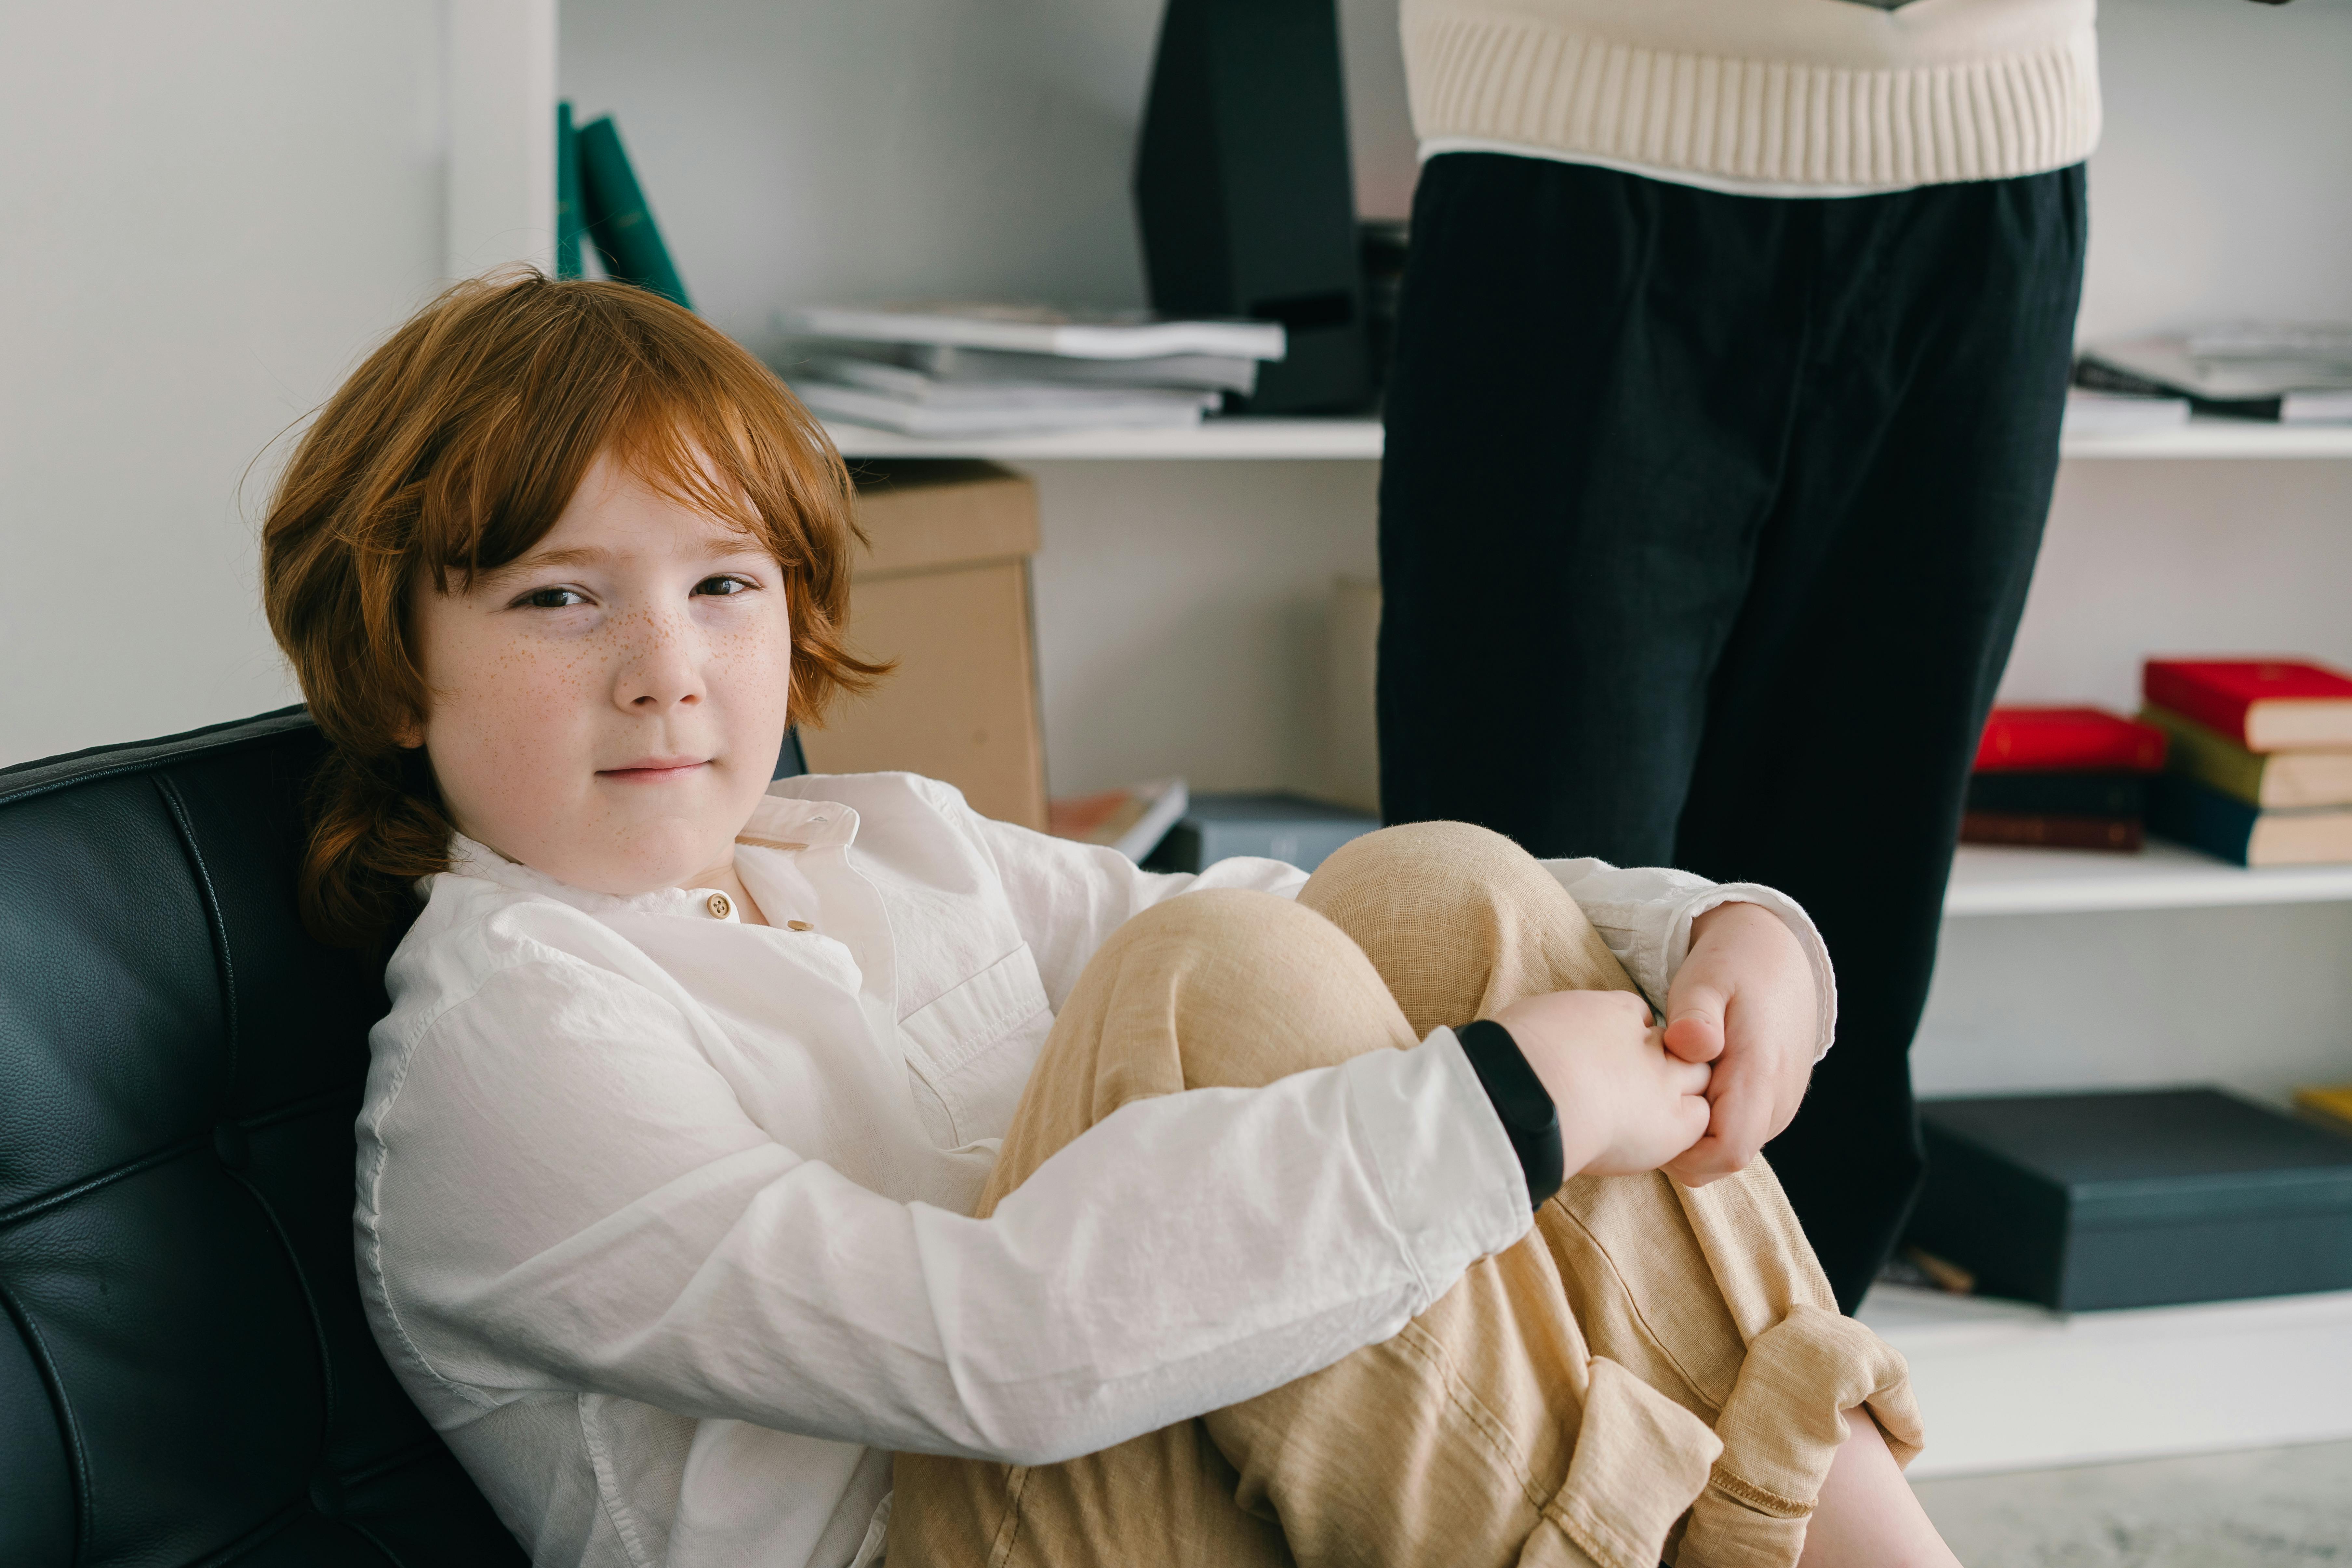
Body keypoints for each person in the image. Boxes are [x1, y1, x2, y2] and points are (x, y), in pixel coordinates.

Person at [260, 272, 1961, 1568]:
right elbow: (999, 1351)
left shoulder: (883, 839)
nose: (667, 669)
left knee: (1416, 893)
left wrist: (1717, 937)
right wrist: (1512, 1107)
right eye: (561, 597)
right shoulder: (506, 1045)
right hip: (952, 1515)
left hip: (1122, 1476)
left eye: (723, 582)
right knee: (1216, 981)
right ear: (398, 660)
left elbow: (1328, 931)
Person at [1269, 0, 2352, 1306]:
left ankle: (1785, 1482)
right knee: (1522, 937)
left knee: (1846, 941)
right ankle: (1500, 1490)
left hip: (1986, 190)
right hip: (1572, 163)